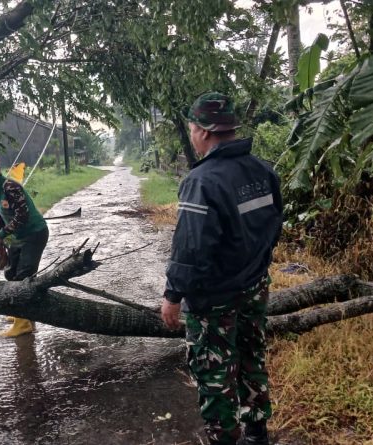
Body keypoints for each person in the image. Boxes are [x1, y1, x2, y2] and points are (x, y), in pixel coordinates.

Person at [160, 93, 283, 445]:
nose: (192, 134)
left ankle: (224, 438)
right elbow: (274, 228)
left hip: (214, 298)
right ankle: (257, 433)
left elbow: (190, 251)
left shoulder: (202, 181)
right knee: (250, 355)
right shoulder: (263, 170)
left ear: (203, 131)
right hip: (255, 286)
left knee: (214, 373)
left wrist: (172, 297)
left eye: (192, 128)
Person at [0, 150, 50, 337]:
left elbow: (22, 216)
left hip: (34, 234)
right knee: (11, 273)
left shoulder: (10, 187)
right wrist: (1, 238)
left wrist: (1, 235)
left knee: (24, 276)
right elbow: (0, 215)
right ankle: (21, 311)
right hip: (17, 237)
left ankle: (23, 323)